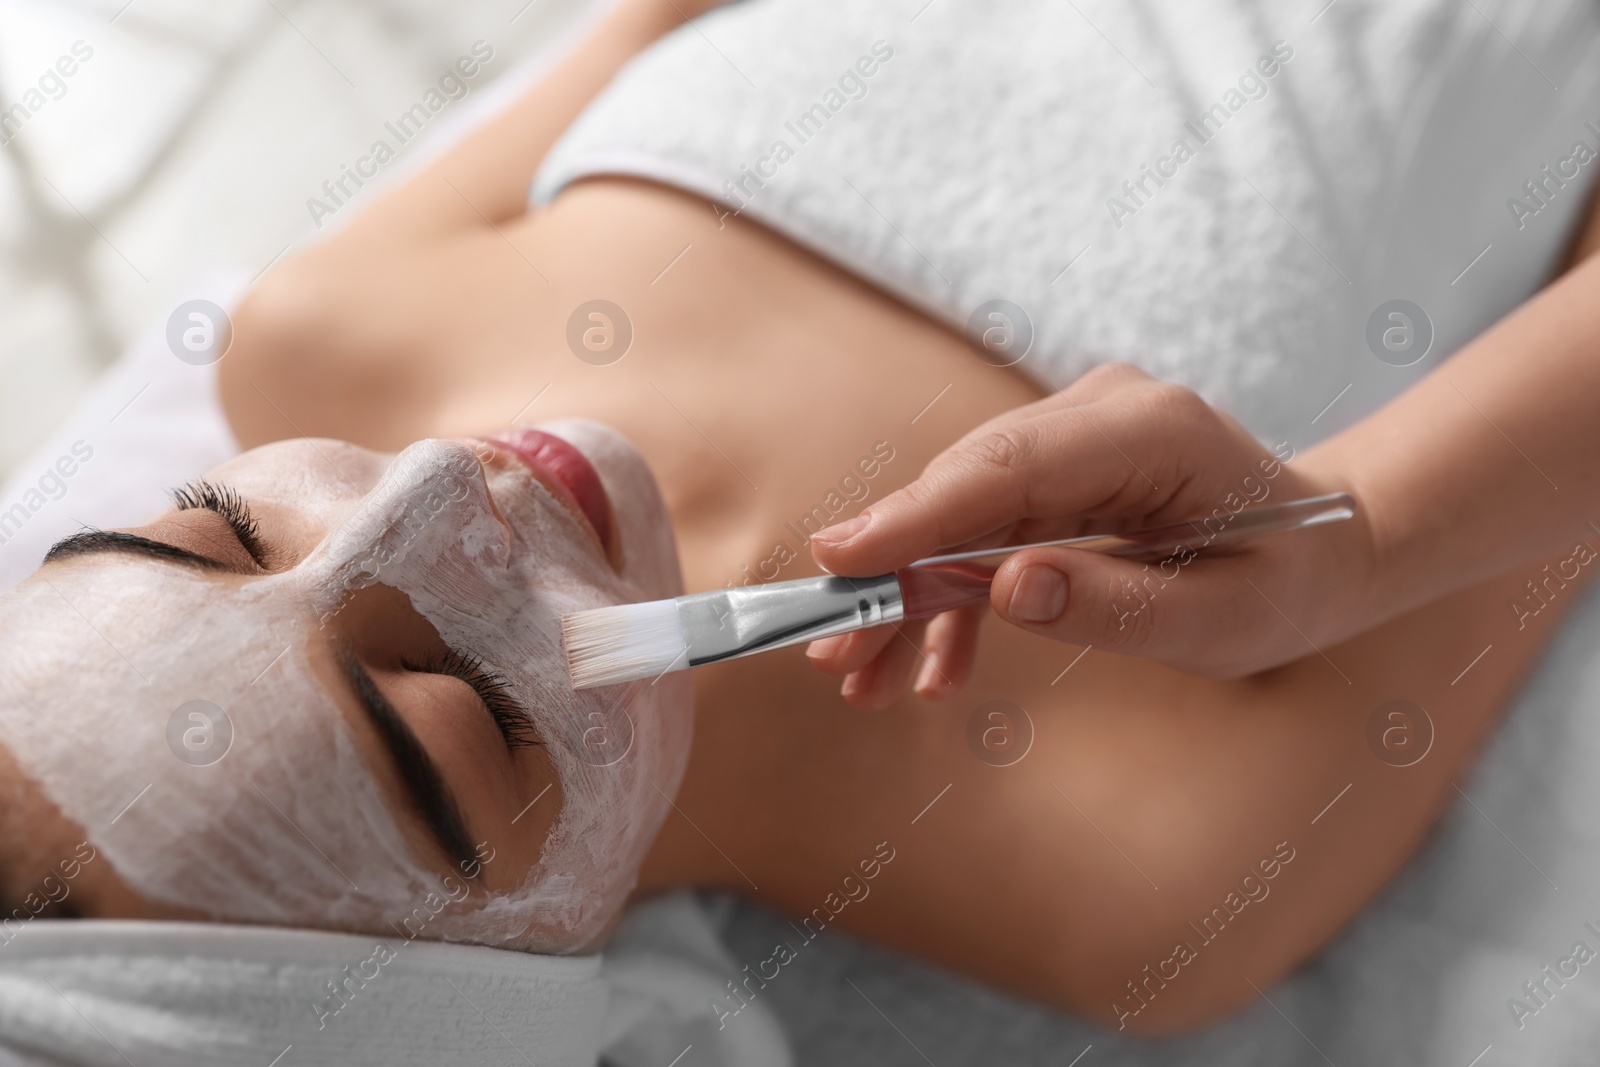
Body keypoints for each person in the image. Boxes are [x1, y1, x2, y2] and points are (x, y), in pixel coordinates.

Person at [2, 0, 1598, 1043]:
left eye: (211, 536)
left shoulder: (325, 330)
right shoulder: (1129, 880)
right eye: (447, 729)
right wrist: (1370, 535)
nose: (425, 490)